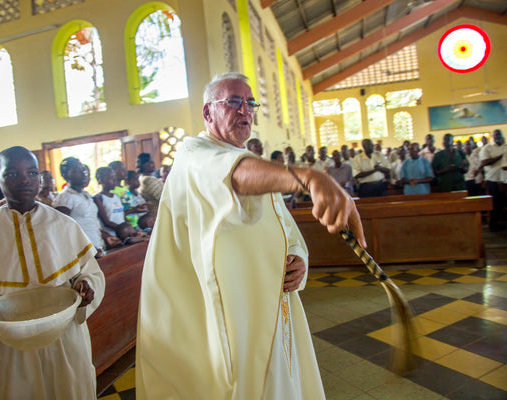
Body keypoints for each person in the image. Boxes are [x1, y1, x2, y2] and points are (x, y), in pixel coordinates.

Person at [136, 73, 364, 399]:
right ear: (207, 113)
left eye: (250, 103)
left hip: (267, 302)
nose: (244, 110)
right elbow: (234, 177)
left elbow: (282, 224)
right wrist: (309, 178)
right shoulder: (195, 154)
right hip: (225, 312)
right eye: (232, 102)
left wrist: (299, 257)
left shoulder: (253, 163)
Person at [0, 146, 105, 399]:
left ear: (40, 178)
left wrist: (85, 286)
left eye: (31, 172)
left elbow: (89, 273)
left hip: (64, 336)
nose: (25, 179)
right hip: (13, 342)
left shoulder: (64, 225)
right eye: (13, 174)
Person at [54, 157, 120, 253]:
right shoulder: (65, 198)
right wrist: (85, 250)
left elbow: (91, 223)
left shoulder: (86, 195)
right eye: (76, 171)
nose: (83, 173)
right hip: (84, 252)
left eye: (83, 169)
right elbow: (63, 231)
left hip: (98, 247)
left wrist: (107, 236)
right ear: (65, 175)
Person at [480, 129, 507, 231]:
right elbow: (484, 162)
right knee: (495, 204)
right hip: (493, 179)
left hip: (506, 179)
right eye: (496, 135)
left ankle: (505, 225)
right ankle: (493, 226)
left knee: (506, 203)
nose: (498, 136)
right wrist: (500, 156)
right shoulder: (487, 148)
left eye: (499, 135)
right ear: (493, 136)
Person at [136, 153, 164, 219]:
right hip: (157, 214)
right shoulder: (148, 180)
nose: (153, 164)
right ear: (143, 165)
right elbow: (163, 196)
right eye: (149, 162)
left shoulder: (142, 177)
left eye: (152, 161)